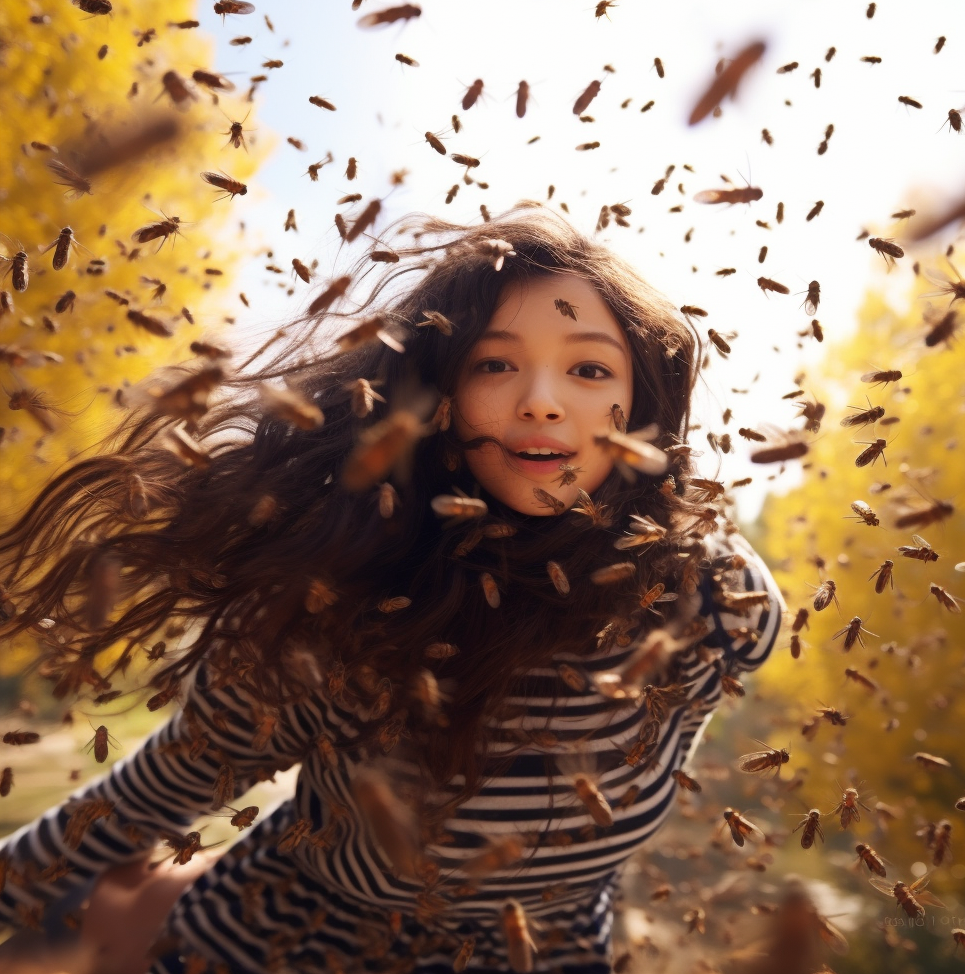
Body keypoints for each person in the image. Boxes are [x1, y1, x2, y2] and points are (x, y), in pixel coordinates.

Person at [0, 206, 782, 974]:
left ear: (641, 405)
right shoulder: (335, 609)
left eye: (588, 369)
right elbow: (155, 794)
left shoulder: (714, 601)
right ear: (436, 397)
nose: (542, 400)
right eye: (494, 363)